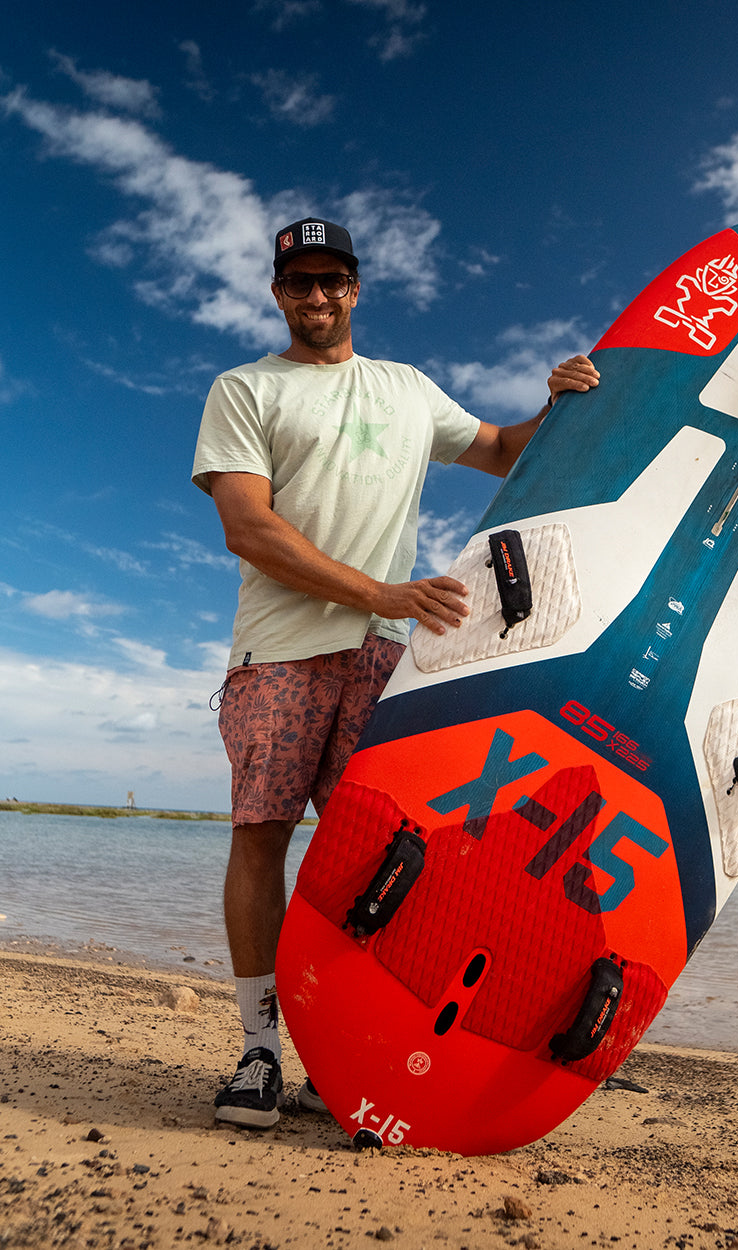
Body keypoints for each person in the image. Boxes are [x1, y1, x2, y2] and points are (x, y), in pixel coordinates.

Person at [192, 218, 600, 1128]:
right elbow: (247, 527)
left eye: (333, 279)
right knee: (261, 836)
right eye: (300, 282)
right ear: (278, 293)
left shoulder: (407, 389)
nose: (318, 297)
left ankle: (339, 1055)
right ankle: (260, 1050)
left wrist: (562, 405)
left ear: (357, 288)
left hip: (381, 655)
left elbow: (502, 450)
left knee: (371, 854)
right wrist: (381, 590)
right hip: (280, 654)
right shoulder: (246, 390)